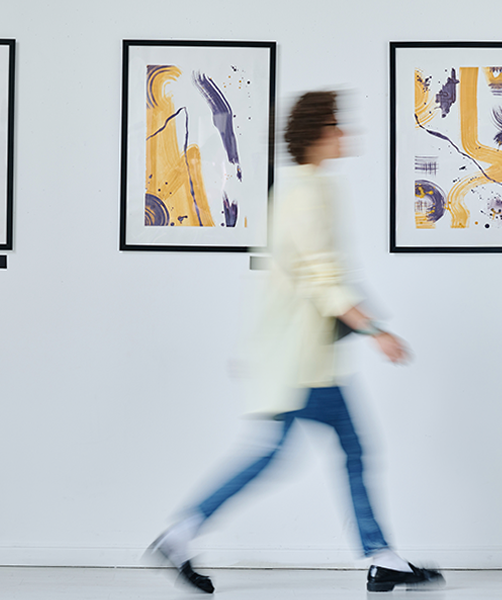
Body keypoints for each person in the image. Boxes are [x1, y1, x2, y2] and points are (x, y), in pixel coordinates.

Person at [147, 91, 444, 593]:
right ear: (318, 135)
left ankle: (381, 556)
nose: (346, 135)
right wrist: (376, 332)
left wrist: (362, 324)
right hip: (298, 363)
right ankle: (182, 533)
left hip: (306, 358)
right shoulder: (303, 195)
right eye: (337, 126)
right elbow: (321, 280)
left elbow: (327, 276)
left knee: (334, 449)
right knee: (306, 452)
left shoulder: (313, 188)